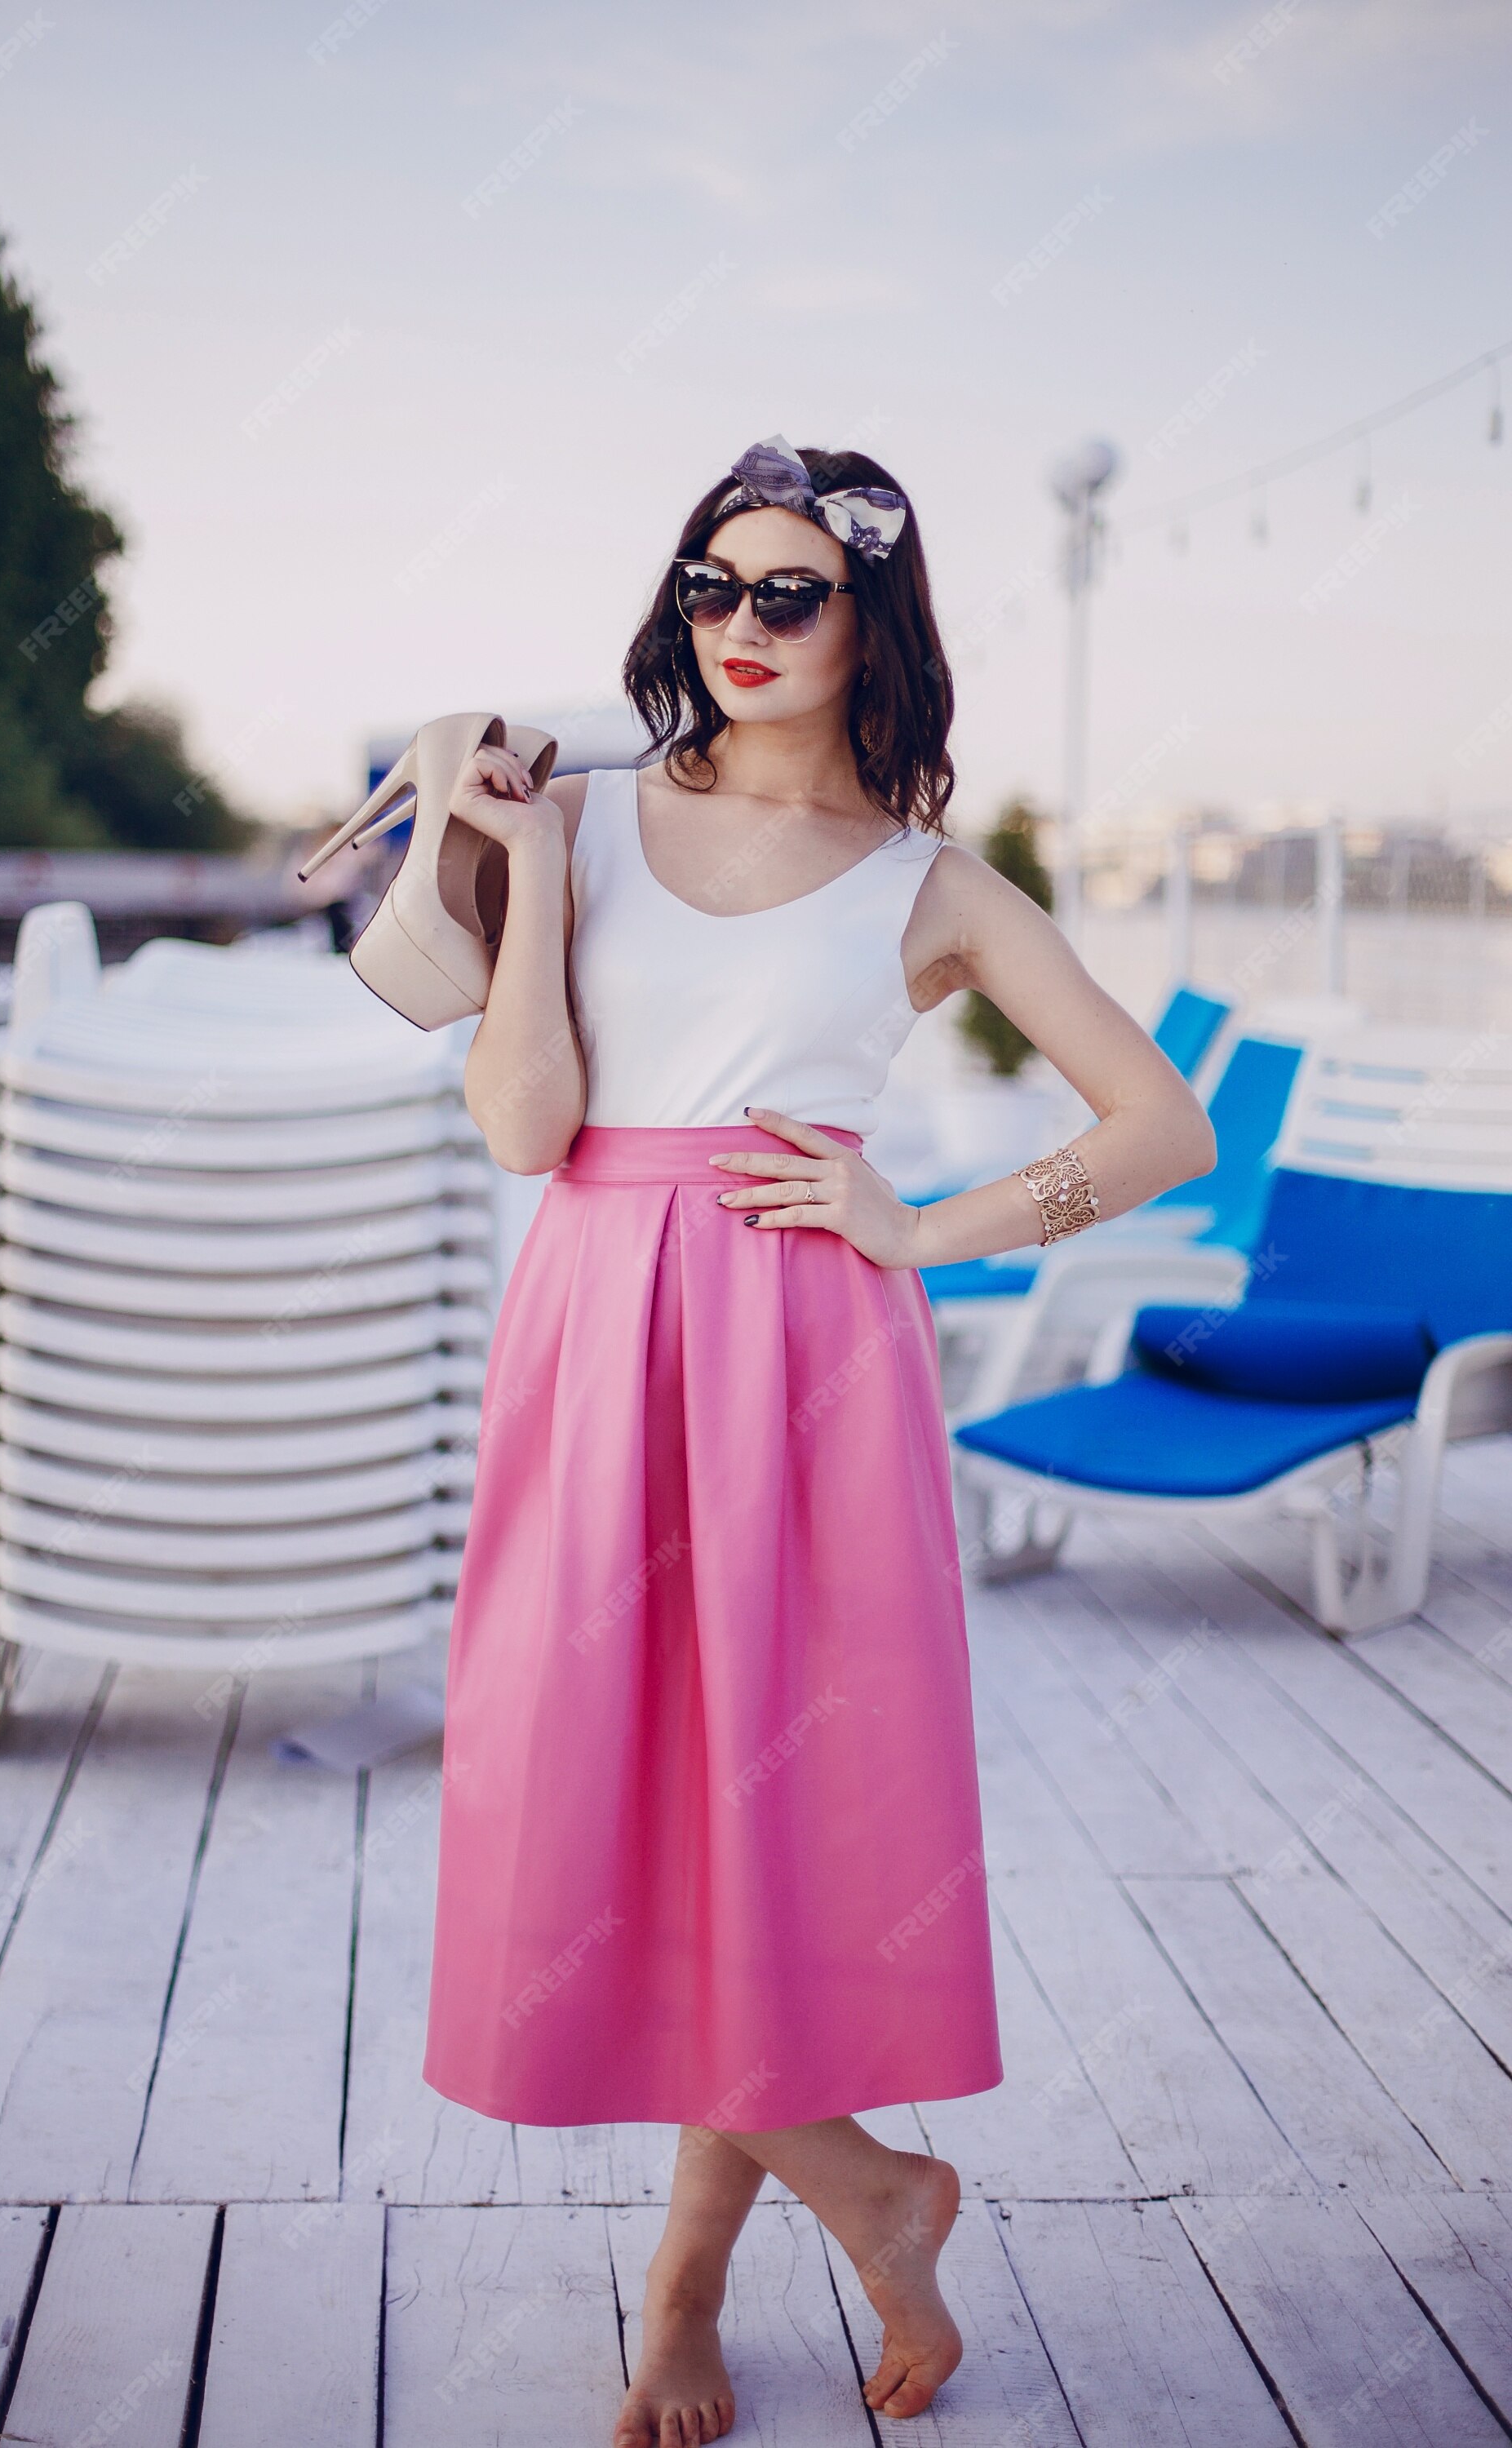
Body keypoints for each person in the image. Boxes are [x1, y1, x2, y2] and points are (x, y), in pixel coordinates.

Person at [422, 435, 1216, 2443]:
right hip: (595, 1326)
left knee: (749, 1831)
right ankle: (876, 2189)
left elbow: (1159, 1125)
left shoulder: (930, 883)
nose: (743, 626)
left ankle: (684, 2291)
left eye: (790, 592)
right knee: (597, 1800)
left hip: (801, 1353)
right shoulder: (583, 816)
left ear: (873, 621)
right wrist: (511, 865)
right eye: (712, 585)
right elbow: (525, 1129)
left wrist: (924, 1226)